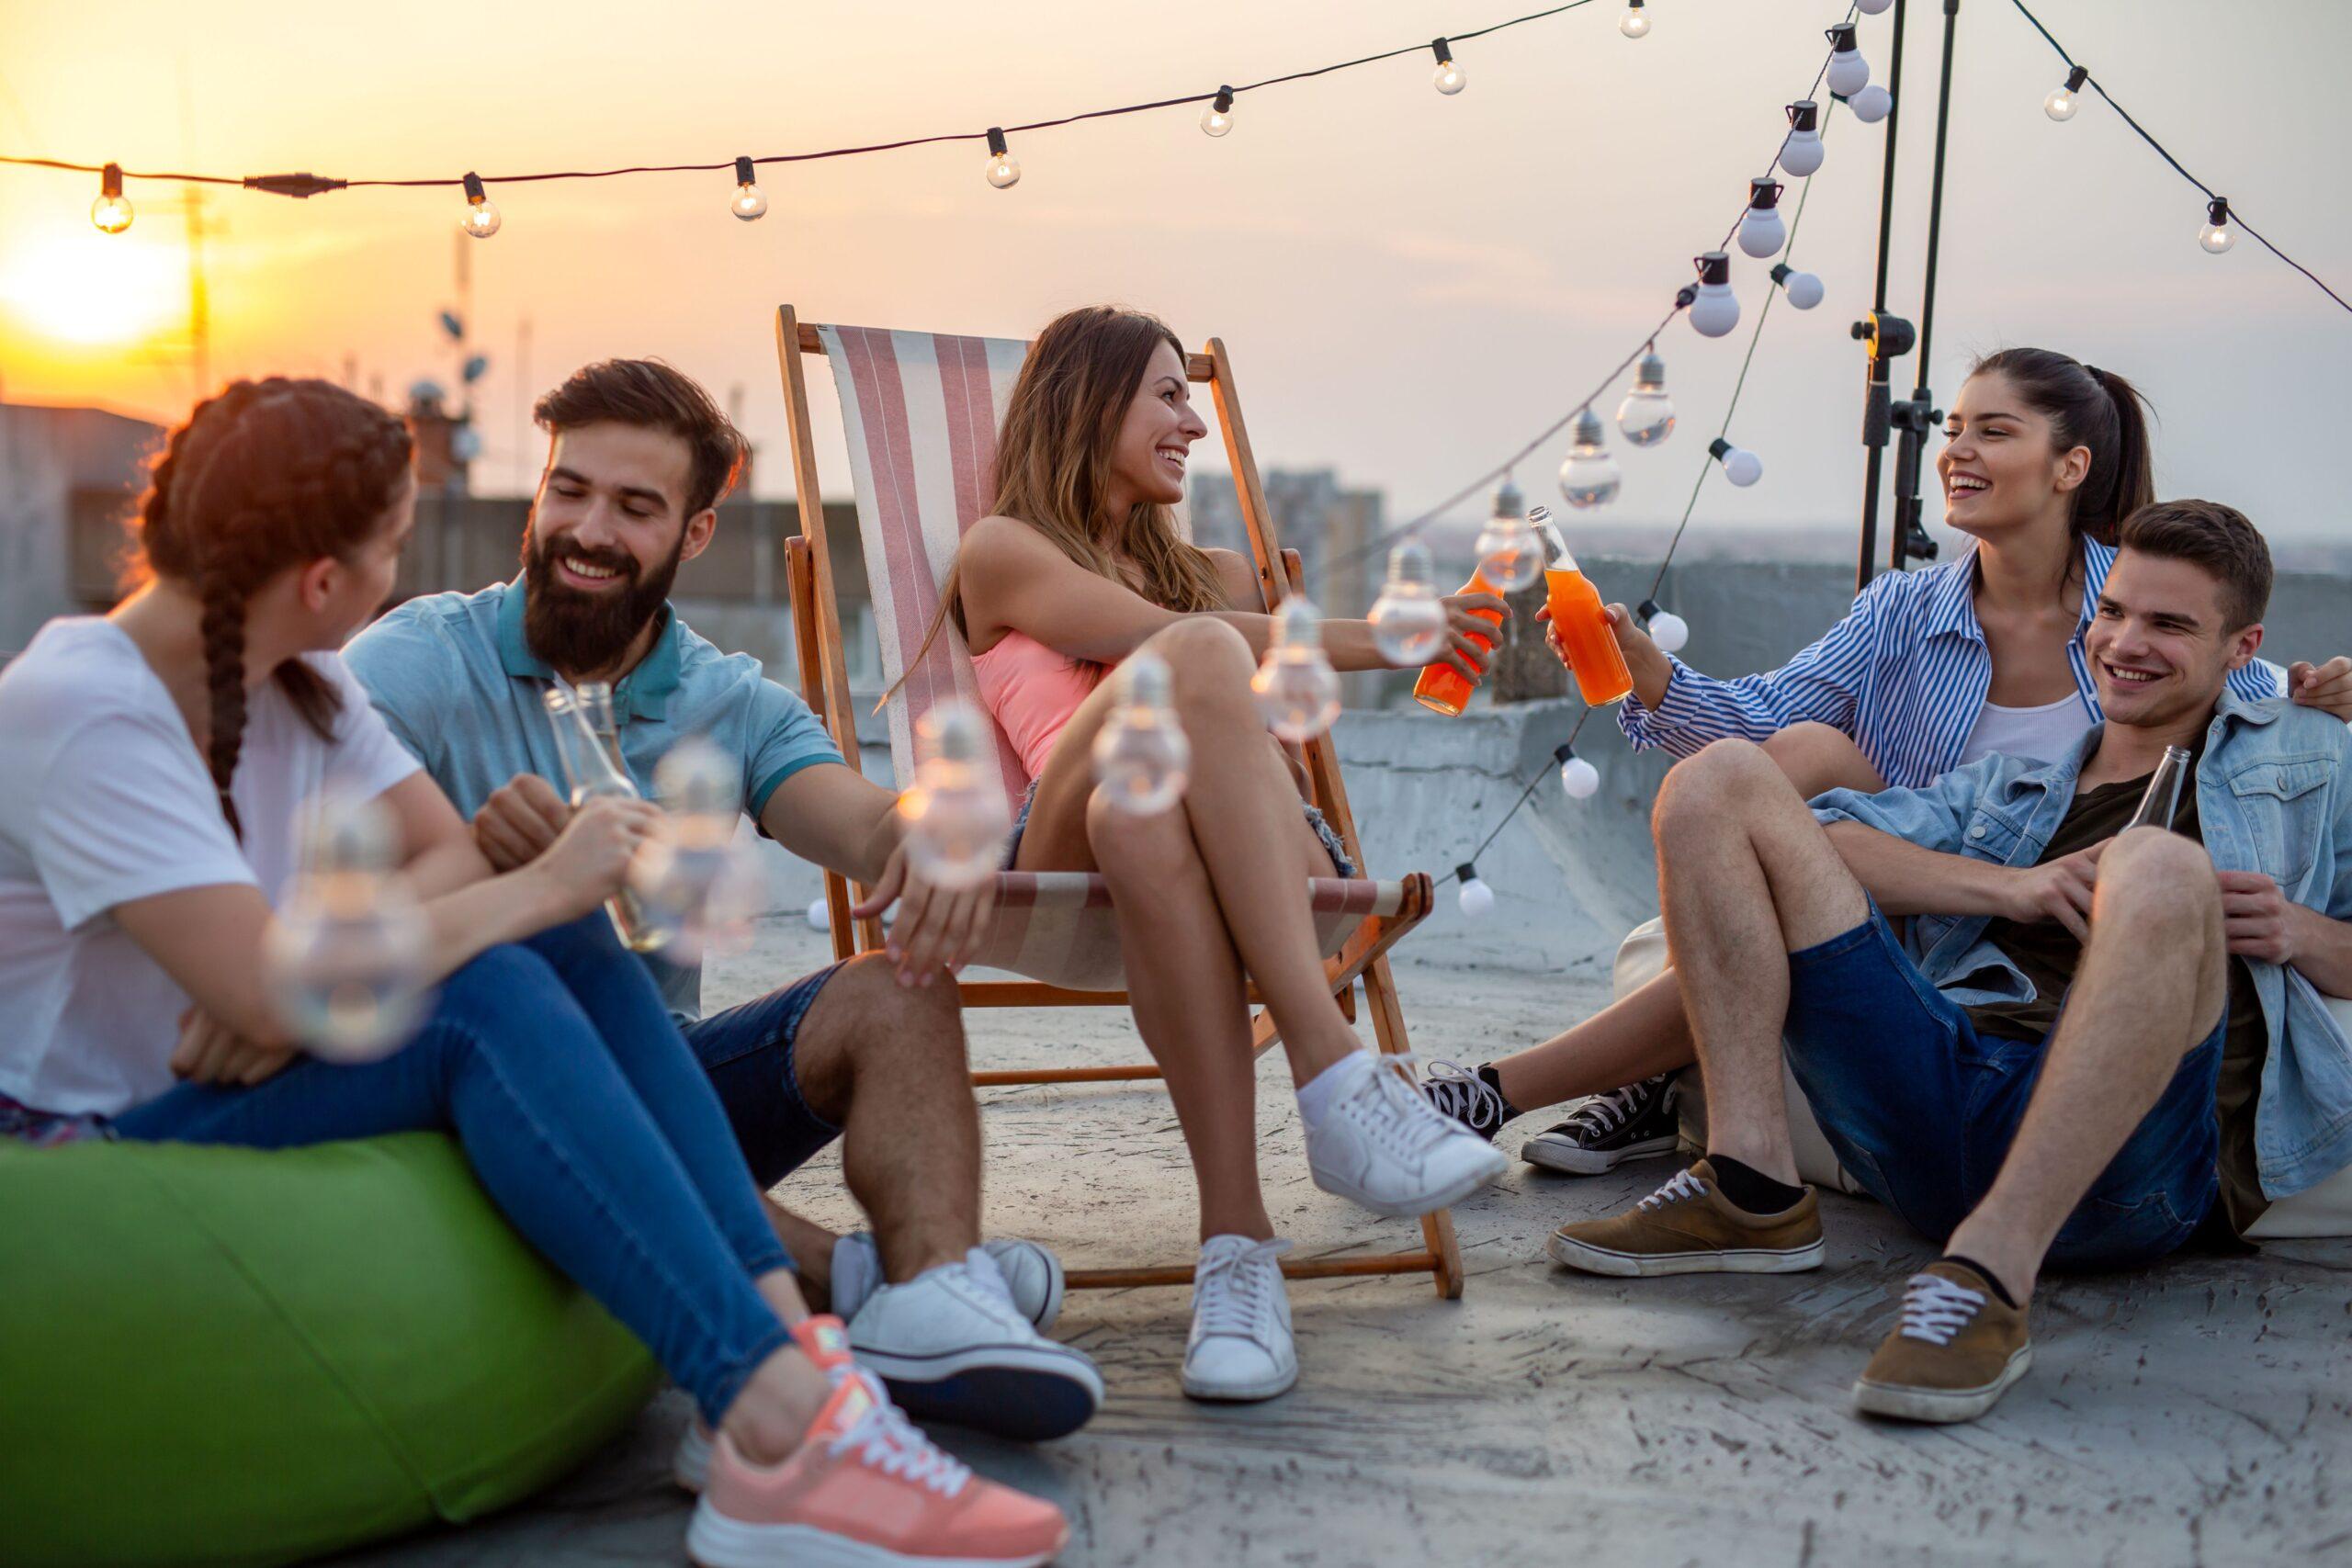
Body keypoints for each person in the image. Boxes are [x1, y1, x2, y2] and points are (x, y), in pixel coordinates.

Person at [0, 378, 1069, 1566]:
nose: (392, 579)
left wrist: (320, 965)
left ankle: (788, 1388)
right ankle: (781, 1406)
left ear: (691, 530)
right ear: (322, 582)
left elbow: (428, 869)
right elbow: (295, 971)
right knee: (506, 975)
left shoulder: (309, 684)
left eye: (634, 503)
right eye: (389, 549)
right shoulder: (90, 706)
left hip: (291, 1069)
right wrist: (513, 892)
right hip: (91, 1136)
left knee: (553, 943)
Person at [345, 358, 1102, 1450]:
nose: (588, 529)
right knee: (559, 1045)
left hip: (672, 1079)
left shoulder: (726, 700)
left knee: (894, 991)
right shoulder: (417, 663)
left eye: (635, 507)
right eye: (571, 490)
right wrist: (497, 864)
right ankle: (869, 1288)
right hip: (468, 1091)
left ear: (696, 533)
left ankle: (931, 1297)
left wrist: (928, 842)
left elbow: (864, 823)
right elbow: (311, 887)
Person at [1421, 348, 2352, 1174]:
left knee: (1809, 808)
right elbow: (1752, 729)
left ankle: (1572, 1082)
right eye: (1952, 429)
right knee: (1808, 750)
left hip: (2062, 927)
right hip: (1925, 890)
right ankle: (1634, 1074)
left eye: (1992, 431)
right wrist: (1652, 675)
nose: (1956, 451)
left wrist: (2332, 699)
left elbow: (2258, 701)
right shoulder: (1905, 610)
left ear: (2071, 466)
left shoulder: (2145, 602)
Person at [1545, 500, 2352, 1424]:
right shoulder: (2010, 789)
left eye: (2169, 624)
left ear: (2239, 647)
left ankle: (1986, 1277)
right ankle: (1749, 1183)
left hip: (2137, 1170)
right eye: (2115, 612)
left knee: (2157, 864)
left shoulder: (2312, 757)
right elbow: (1810, 844)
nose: (2126, 642)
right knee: (1719, 780)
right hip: (1940, 1096)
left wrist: (2304, 935)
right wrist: (2008, 887)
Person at [905, 305, 1510, 1402]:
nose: (1191, 421)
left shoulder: (1221, 574)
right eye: (1166, 395)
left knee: (1143, 813)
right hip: (1054, 851)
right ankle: (1336, 1078)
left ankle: (1237, 1258)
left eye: (1191, 394)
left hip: (1245, 855)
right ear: (1090, 404)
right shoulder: (1003, 553)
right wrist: (1389, 636)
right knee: (1175, 661)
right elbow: (1138, 642)